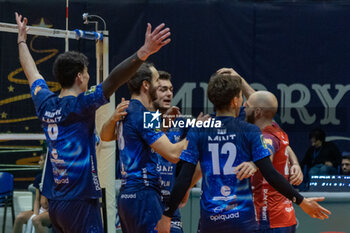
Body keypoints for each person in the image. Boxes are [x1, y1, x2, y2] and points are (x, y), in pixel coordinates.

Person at [16, 11, 171, 233]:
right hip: (81, 201)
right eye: (87, 73)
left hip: (56, 203)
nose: (89, 77)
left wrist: (22, 40)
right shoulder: (81, 105)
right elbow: (114, 80)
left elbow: (31, 71)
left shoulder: (45, 103)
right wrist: (143, 52)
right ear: (79, 77)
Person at [156, 71, 331, 233]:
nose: (244, 102)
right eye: (241, 97)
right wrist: (301, 201)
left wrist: (167, 214)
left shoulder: (199, 130)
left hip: (211, 220)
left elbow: (184, 177)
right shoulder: (249, 131)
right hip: (242, 220)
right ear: (235, 101)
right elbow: (270, 173)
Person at [100, 63, 187, 233]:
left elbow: (106, 136)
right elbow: (173, 154)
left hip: (127, 196)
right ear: (146, 85)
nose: (159, 86)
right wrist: (197, 132)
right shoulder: (143, 114)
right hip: (144, 195)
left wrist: (162, 126)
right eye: (156, 81)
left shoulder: (129, 109)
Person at [13, 153, 51, 233]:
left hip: (51, 212)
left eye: (41, 160)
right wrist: (35, 213)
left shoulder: (55, 178)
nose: (39, 163)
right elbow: (37, 199)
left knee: (36, 220)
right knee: (19, 218)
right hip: (40, 210)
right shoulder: (39, 178)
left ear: (47, 162)